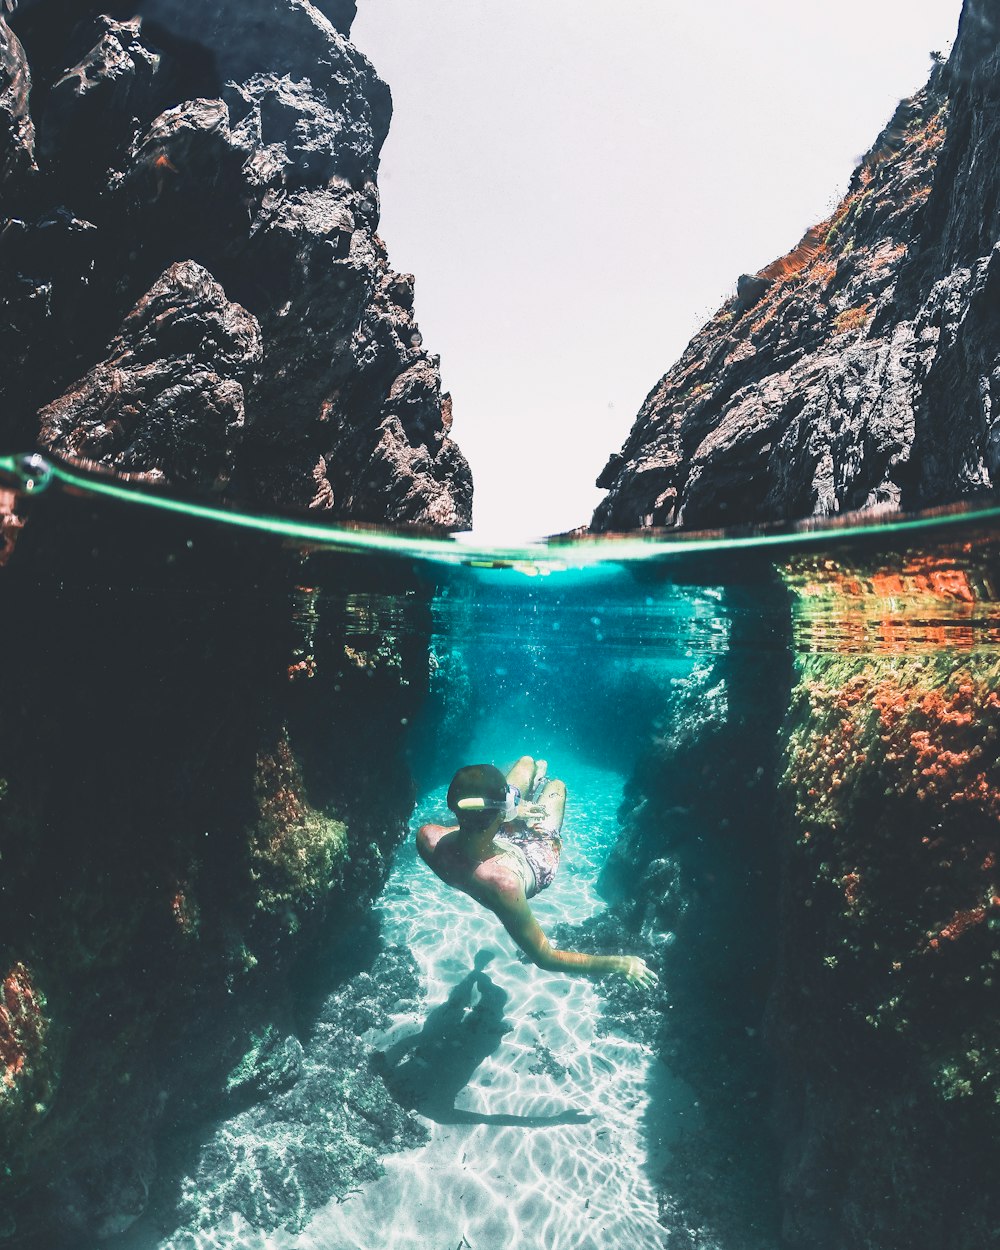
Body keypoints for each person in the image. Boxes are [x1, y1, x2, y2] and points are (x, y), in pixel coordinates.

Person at [416, 757, 657, 989]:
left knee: (526, 762)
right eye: (510, 802)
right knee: (557, 786)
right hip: (535, 856)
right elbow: (545, 957)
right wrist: (621, 964)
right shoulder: (503, 885)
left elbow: (471, 825)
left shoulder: (428, 837)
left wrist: (510, 812)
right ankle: (530, 789)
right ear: (502, 812)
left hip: (493, 831)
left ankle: (526, 786)